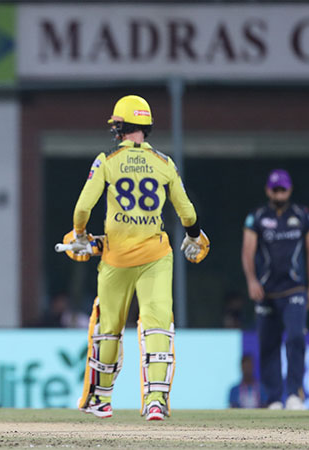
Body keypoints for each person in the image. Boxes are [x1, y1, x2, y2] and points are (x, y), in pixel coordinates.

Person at [64, 95, 209, 421]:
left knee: (107, 329)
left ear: (119, 127)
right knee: (158, 327)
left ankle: (100, 400)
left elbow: (82, 209)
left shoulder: (108, 161)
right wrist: (195, 236)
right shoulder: (164, 163)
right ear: (146, 127)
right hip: (156, 257)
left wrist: (80, 235)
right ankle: (156, 401)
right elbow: (187, 213)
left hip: (115, 259)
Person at [241, 169, 309, 411]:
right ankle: (274, 398)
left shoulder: (302, 216)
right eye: (275, 189)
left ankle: (294, 394)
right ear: (267, 190)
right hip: (266, 292)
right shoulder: (257, 217)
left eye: (283, 189)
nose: (279, 193)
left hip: (294, 289)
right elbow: (247, 250)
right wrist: (252, 280)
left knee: (296, 338)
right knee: (268, 344)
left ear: (290, 190)